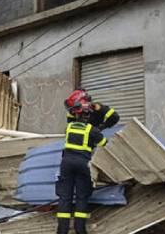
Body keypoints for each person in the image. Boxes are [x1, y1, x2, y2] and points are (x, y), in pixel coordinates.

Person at [56, 98, 107, 234]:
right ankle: (80, 230)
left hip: (66, 163)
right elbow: (103, 143)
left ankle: (62, 231)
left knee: (65, 197)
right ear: (88, 115)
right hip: (83, 164)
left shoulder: (69, 127)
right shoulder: (92, 130)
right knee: (81, 196)